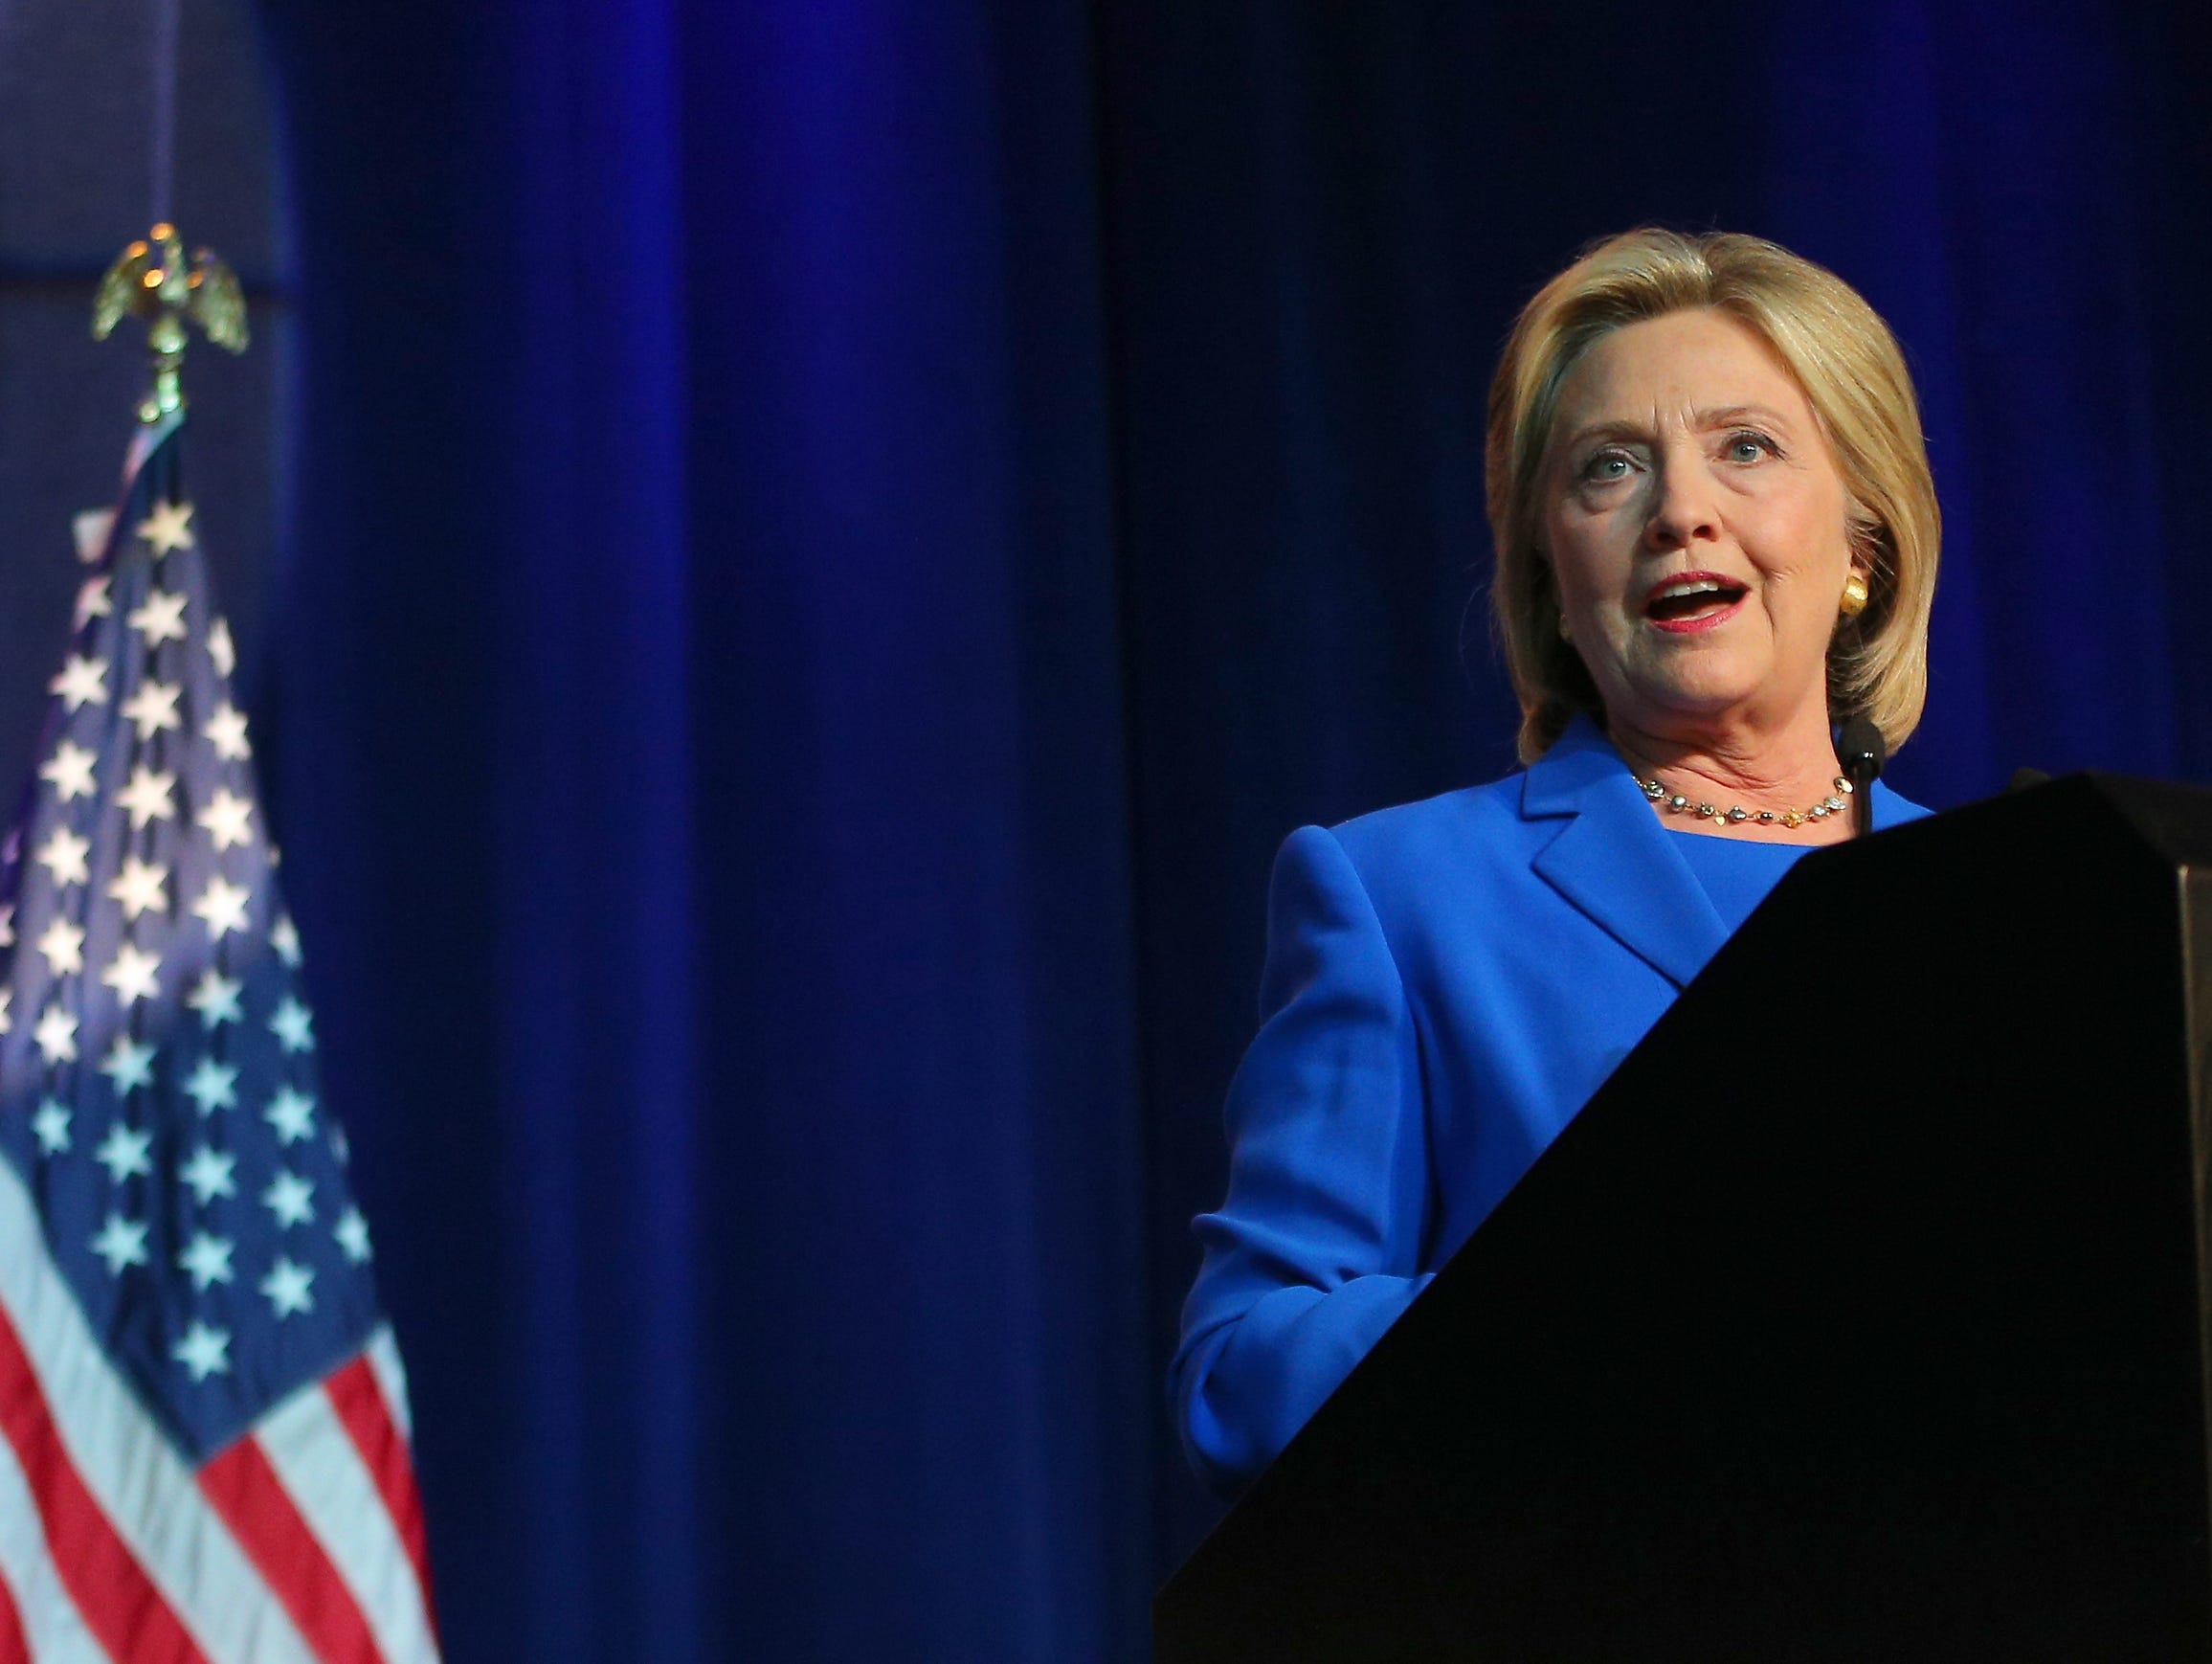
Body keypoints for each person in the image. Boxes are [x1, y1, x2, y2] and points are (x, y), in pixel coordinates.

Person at [1170, 228, 1942, 1495]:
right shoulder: (1399, 894)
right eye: (1609, 469)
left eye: (1745, 447)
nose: (1679, 509)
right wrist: (1588, 1297)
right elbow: (1239, 1377)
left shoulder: (2010, 912)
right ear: (1552, 573)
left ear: (1862, 541)